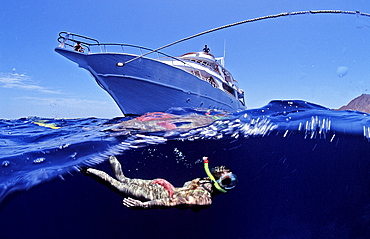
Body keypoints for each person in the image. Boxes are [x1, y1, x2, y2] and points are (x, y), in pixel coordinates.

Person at [82, 156, 237, 211]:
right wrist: (144, 206)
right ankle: (82, 168)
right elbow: (174, 201)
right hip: (160, 194)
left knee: (122, 179)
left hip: (161, 186)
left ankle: (109, 153)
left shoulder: (201, 182)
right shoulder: (205, 199)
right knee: (116, 184)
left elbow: (179, 195)